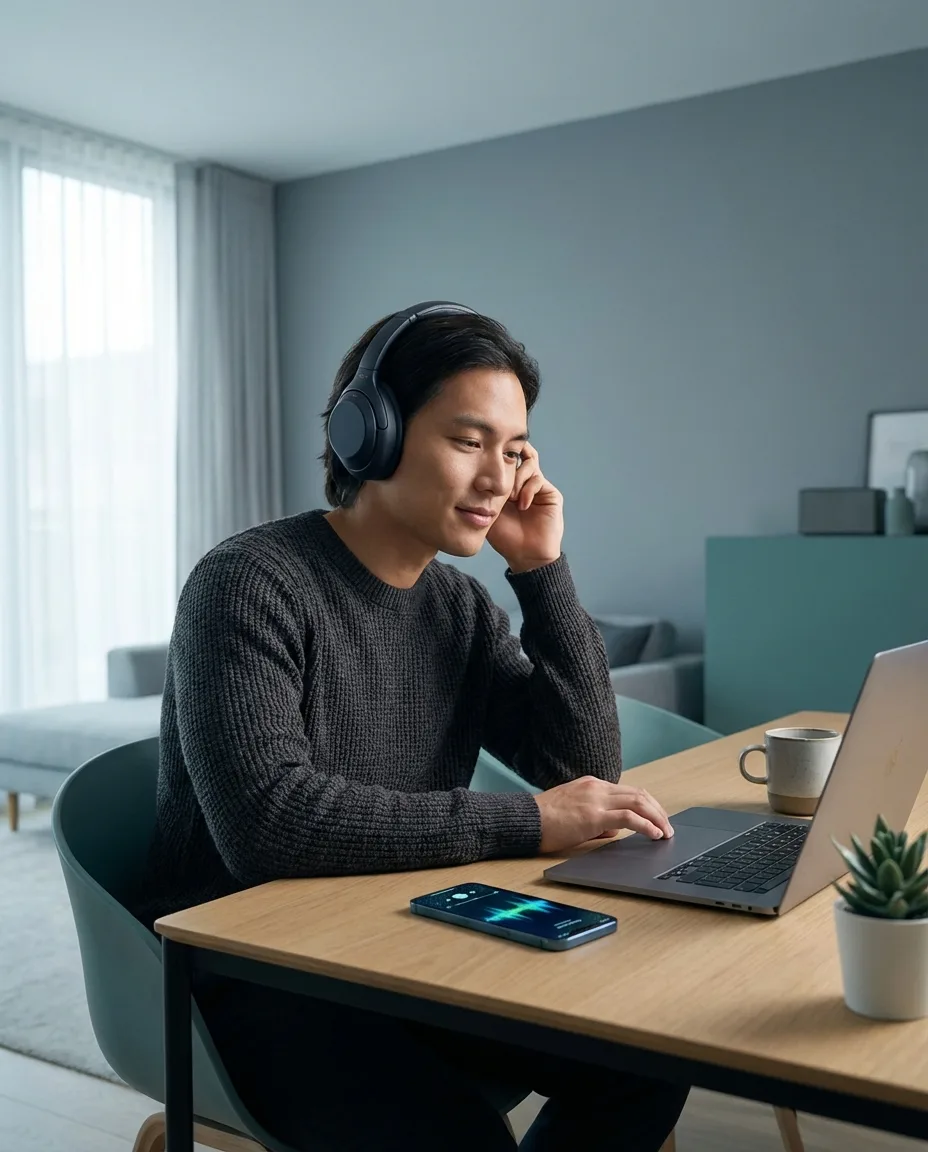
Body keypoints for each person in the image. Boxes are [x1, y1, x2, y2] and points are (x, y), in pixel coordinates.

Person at [133, 303, 689, 1151]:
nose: (498, 479)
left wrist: (541, 570)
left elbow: (577, 766)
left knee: (647, 1056)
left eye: (515, 451)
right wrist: (529, 823)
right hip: (250, 972)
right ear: (371, 433)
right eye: (469, 442)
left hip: (401, 937)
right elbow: (268, 826)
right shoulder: (247, 582)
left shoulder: (457, 607)